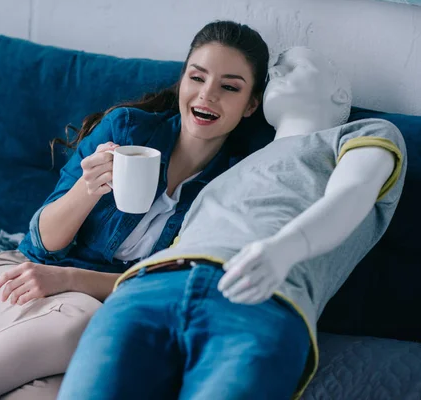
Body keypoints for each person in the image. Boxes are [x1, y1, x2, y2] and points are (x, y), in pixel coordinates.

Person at [0, 21, 270, 400]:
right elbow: (40, 244)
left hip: (105, 313)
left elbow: (173, 286)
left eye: (229, 87)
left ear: (250, 104)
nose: (207, 95)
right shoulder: (127, 129)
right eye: (197, 77)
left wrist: (72, 280)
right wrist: (86, 189)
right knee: (81, 323)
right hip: (23, 281)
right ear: (183, 81)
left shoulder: (234, 185)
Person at [57, 46, 407, 400]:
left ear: (340, 93)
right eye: (274, 70)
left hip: (260, 298)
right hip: (146, 289)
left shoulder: (363, 134)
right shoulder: (226, 168)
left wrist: (285, 248)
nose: (277, 72)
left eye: (293, 64)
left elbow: (353, 193)